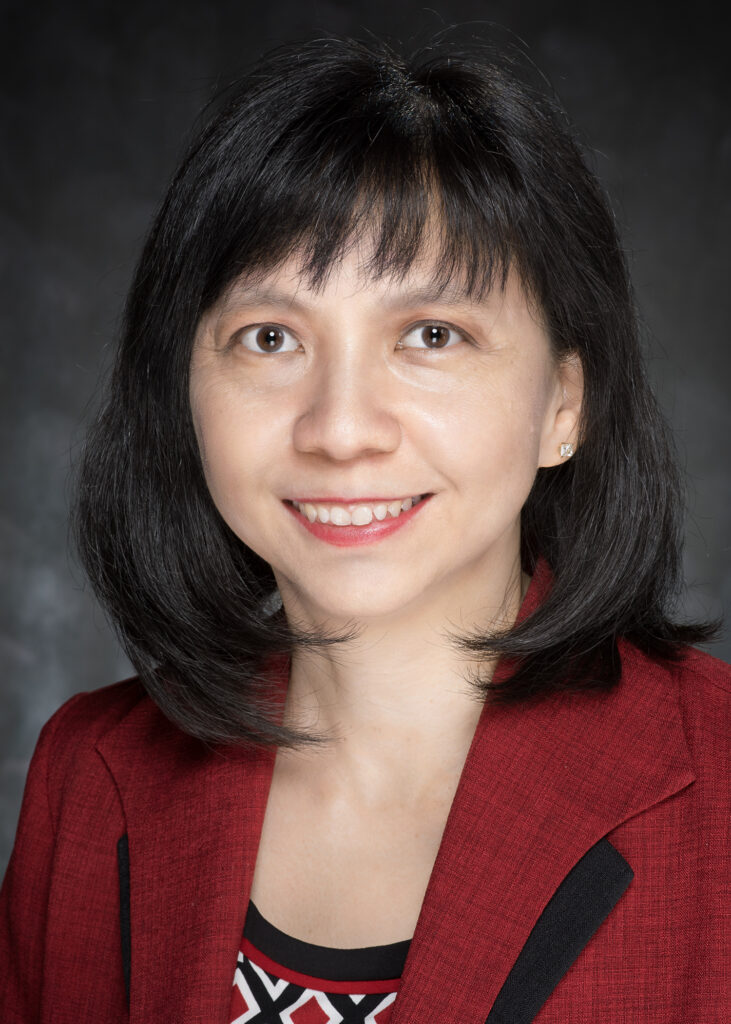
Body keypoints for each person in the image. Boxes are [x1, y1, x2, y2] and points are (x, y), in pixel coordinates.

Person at [1, 34, 728, 1024]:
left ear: (563, 403)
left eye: (430, 335)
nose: (340, 430)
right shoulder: (91, 773)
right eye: (270, 338)